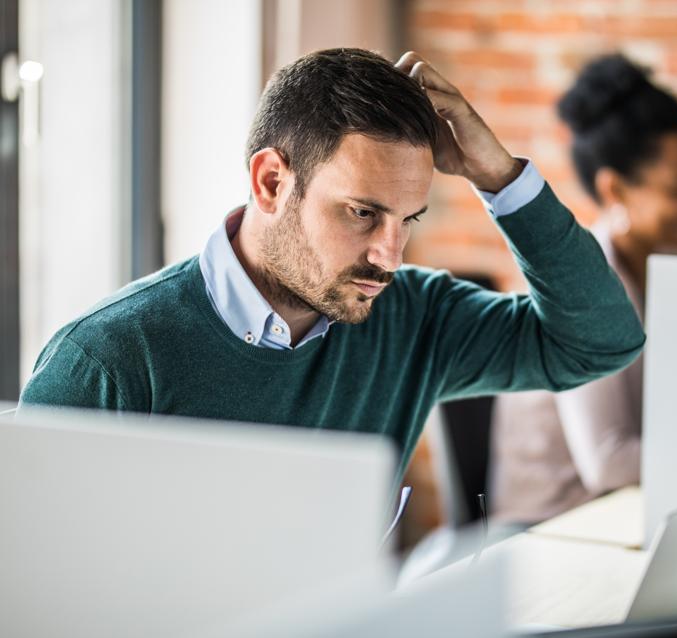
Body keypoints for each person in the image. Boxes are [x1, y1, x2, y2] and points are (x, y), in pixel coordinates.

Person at [18, 49, 645, 477]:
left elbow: (601, 343)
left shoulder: (412, 317)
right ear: (270, 182)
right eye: (362, 213)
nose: (389, 258)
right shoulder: (106, 363)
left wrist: (499, 176)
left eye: (409, 220)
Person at [490, 54, 677, 524]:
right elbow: (607, 460)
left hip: (627, 512)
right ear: (616, 191)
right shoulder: (584, 285)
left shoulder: (671, 267)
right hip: (550, 522)